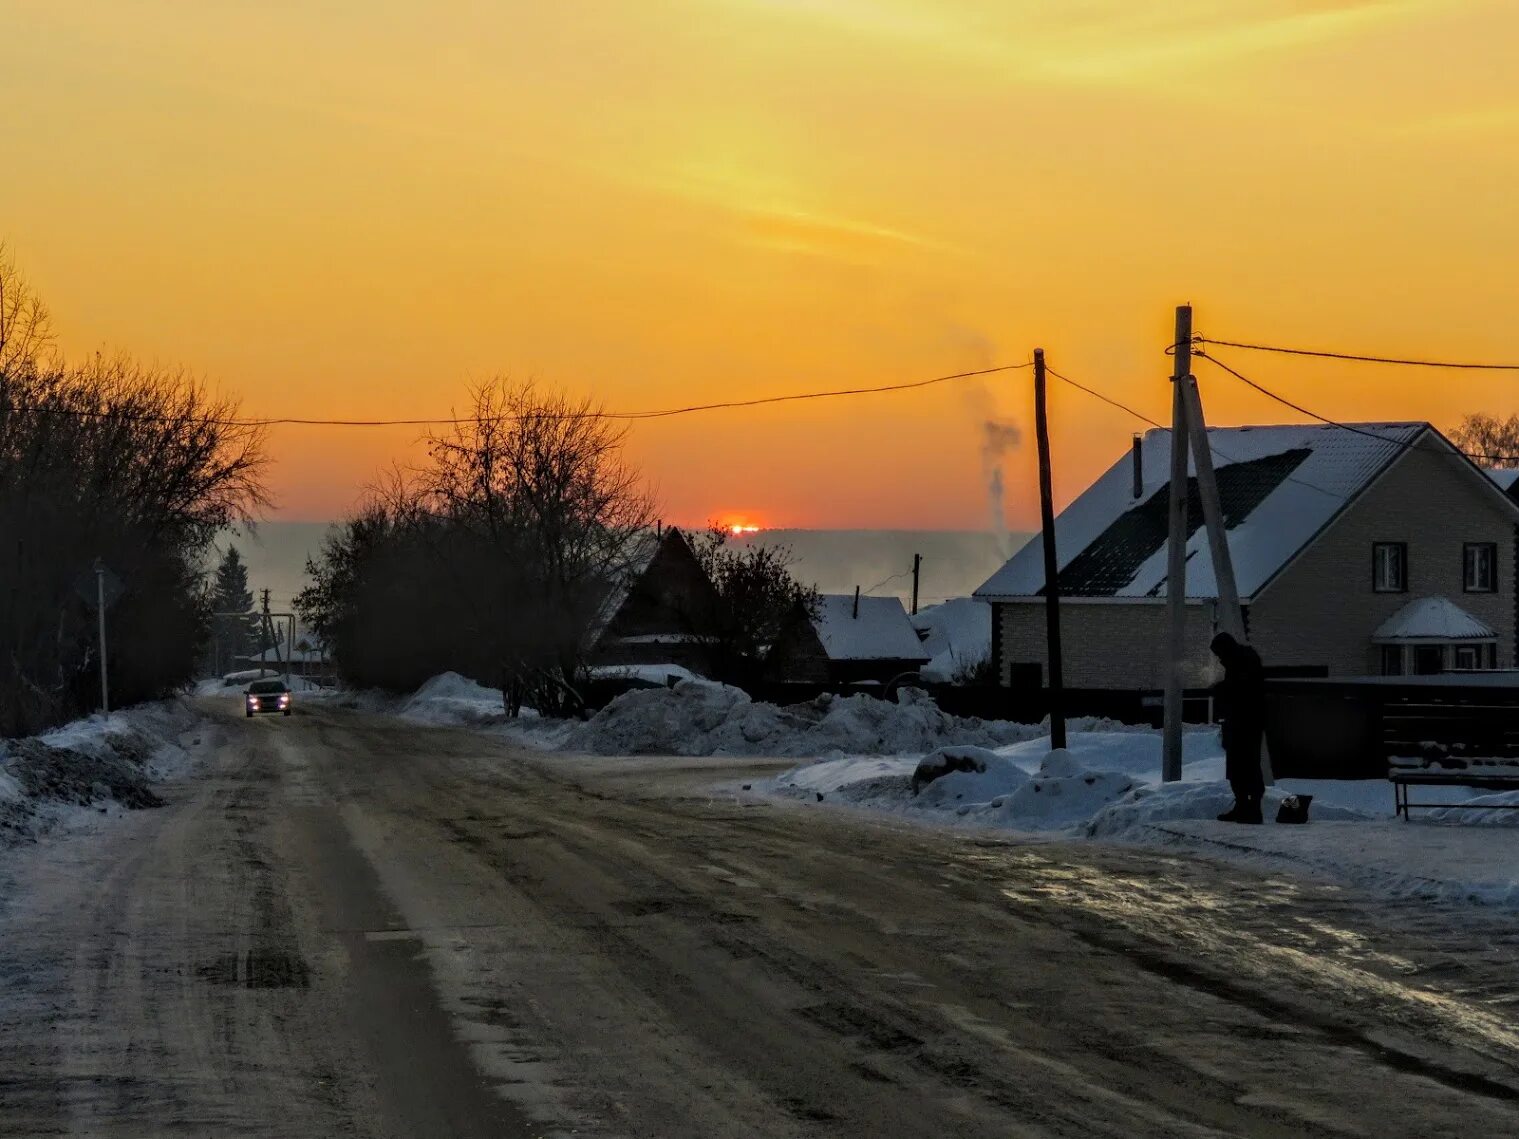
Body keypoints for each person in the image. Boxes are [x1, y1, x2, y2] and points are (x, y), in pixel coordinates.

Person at [1211, 631, 1266, 824]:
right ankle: (1244, 806)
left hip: (1246, 722)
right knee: (1238, 766)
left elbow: (1243, 690)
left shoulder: (1242, 662)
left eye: (1219, 655)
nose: (1219, 660)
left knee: (1246, 764)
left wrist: (1222, 690)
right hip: (1241, 721)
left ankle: (1251, 808)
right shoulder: (1240, 660)